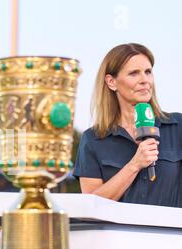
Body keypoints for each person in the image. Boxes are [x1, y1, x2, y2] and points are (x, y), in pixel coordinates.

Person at [74, 43, 182, 208]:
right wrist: (135, 164)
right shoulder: (93, 139)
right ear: (111, 82)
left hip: (170, 233)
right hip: (116, 234)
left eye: (148, 72)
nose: (144, 80)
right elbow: (90, 205)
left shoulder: (177, 126)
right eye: (133, 73)